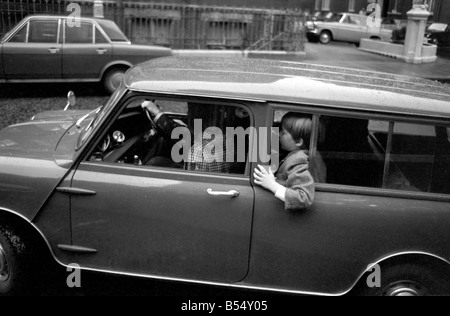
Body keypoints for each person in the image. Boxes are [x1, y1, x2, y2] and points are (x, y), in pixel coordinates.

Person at [141, 100, 249, 173]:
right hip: (211, 168)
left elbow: (191, 138)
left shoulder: (222, 135)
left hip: (204, 173)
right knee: (163, 143)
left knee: (155, 163)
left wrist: (158, 113)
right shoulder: (236, 131)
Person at [253, 112, 316, 212]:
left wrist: (272, 185)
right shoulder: (297, 155)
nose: (279, 135)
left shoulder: (298, 160)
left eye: (283, 132)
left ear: (298, 142)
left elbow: (303, 198)